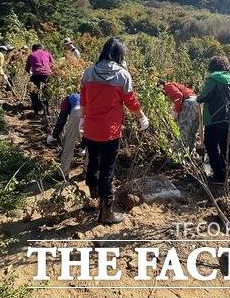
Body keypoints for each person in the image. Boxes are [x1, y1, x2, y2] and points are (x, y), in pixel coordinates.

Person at [80, 37, 149, 224]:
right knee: (107, 170)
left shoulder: (88, 73)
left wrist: (82, 120)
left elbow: (83, 100)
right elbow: (131, 102)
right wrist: (141, 117)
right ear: (120, 54)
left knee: (93, 161)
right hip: (110, 131)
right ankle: (105, 213)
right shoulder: (122, 75)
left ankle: (93, 195)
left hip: (91, 128)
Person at [196, 56, 230, 185]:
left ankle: (219, 176)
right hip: (229, 119)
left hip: (214, 118)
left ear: (212, 66)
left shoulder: (212, 79)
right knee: (225, 145)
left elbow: (203, 97)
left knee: (211, 144)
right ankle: (227, 173)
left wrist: (198, 96)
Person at [157, 79, 201, 153]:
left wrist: (176, 111)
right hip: (197, 102)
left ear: (160, 85)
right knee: (192, 130)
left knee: (182, 129)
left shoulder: (168, 86)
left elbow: (178, 95)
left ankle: (178, 154)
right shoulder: (173, 85)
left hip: (189, 103)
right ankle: (190, 153)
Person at [47, 93, 83, 174]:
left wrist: (53, 136)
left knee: (69, 142)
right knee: (92, 143)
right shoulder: (81, 96)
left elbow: (62, 120)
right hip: (91, 112)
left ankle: (63, 172)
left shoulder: (67, 100)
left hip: (78, 111)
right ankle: (88, 172)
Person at [25, 44, 54, 115]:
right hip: (47, 74)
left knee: (33, 91)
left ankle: (36, 110)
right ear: (42, 48)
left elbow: (27, 69)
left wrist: (30, 72)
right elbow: (53, 64)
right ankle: (46, 110)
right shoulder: (47, 53)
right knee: (46, 92)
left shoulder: (31, 55)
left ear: (33, 49)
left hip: (36, 75)